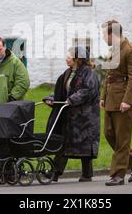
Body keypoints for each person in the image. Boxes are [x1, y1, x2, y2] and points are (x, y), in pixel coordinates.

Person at [43, 47, 100, 183]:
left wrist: (72, 100)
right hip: (70, 115)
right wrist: (51, 98)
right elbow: (62, 91)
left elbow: (87, 91)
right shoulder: (68, 73)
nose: (66, 58)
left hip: (85, 117)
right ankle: (55, 172)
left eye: (68, 56)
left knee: (85, 146)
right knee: (64, 143)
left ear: (77, 59)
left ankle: (87, 174)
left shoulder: (89, 74)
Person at [100, 20, 132, 186]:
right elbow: (110, 76)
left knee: (122, 139)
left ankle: (118, 175)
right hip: (112, 98)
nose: (103, 37)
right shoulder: (115, 51)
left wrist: (127, 101)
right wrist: (103, 97)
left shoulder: (130, 50)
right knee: (109, 134)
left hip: (124, 101)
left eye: (104, 34)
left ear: (112, 34)